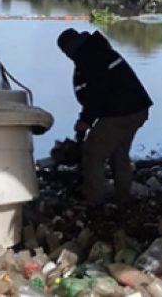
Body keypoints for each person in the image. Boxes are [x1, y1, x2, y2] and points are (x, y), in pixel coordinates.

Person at [57, 28, 153, 204]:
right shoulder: (97, 51)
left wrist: (85, 121)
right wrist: (86, 120)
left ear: (69, 48)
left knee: (92, 153)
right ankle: (123, 198)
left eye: (64, 52)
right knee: (118, 153)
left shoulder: (89, 58)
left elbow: (96, 95)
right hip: (138, 109)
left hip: (121, 112)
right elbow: (97, 94)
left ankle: (93, 200)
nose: (66, 56)